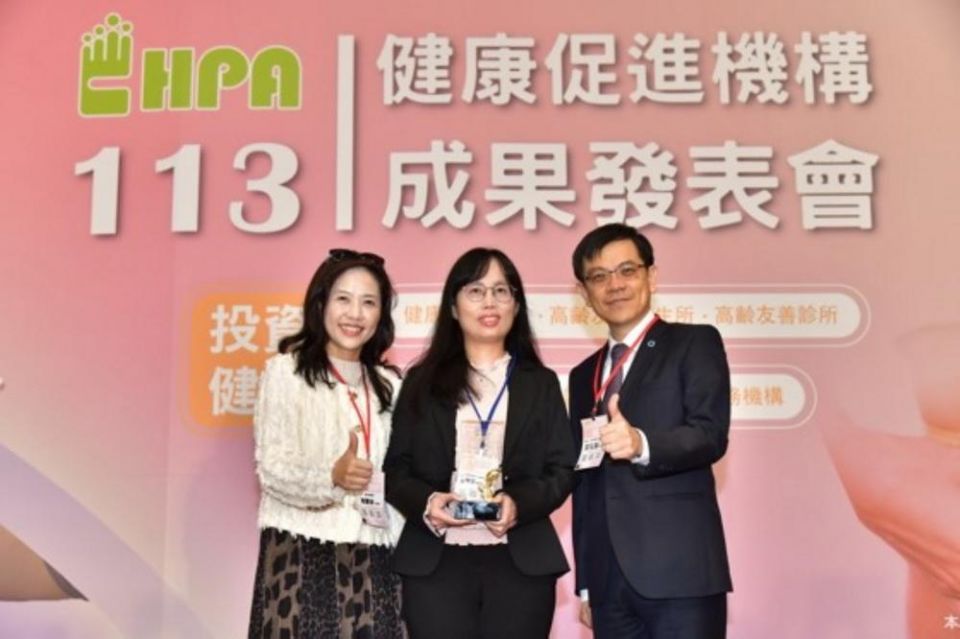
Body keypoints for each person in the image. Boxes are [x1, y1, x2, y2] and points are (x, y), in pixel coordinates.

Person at [383, 248, 575, 639]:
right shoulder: (421, 382)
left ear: (516, 305)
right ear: (453, 307)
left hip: (519, 561)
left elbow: (561, 471)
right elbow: (396, 470)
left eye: (501, 291)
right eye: (475, 290)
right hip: (436, 562)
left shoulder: (540, 383)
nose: (490, 301)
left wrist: (518, 502)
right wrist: (428, 502)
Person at [568, 224, 732, 639]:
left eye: (627, 271)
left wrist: (641, 443)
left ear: (651, 277)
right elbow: (584, 482)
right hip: (608, 583)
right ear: (584, 292)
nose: (615, 285)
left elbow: (710, 433)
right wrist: (586, 583)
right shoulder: (582, 375)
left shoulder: (693, 343)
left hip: (681, 573)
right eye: (599, 276)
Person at [248, 249, 406, 639]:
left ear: (381, 315)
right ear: (320, 304)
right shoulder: (286, 372)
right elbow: (272, 469)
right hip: (301, 551)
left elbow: (404, 470)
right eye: (343, 299)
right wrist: (331, 476)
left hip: (375, 552)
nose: (355, 314)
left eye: (368, 302)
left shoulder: (390, 385)